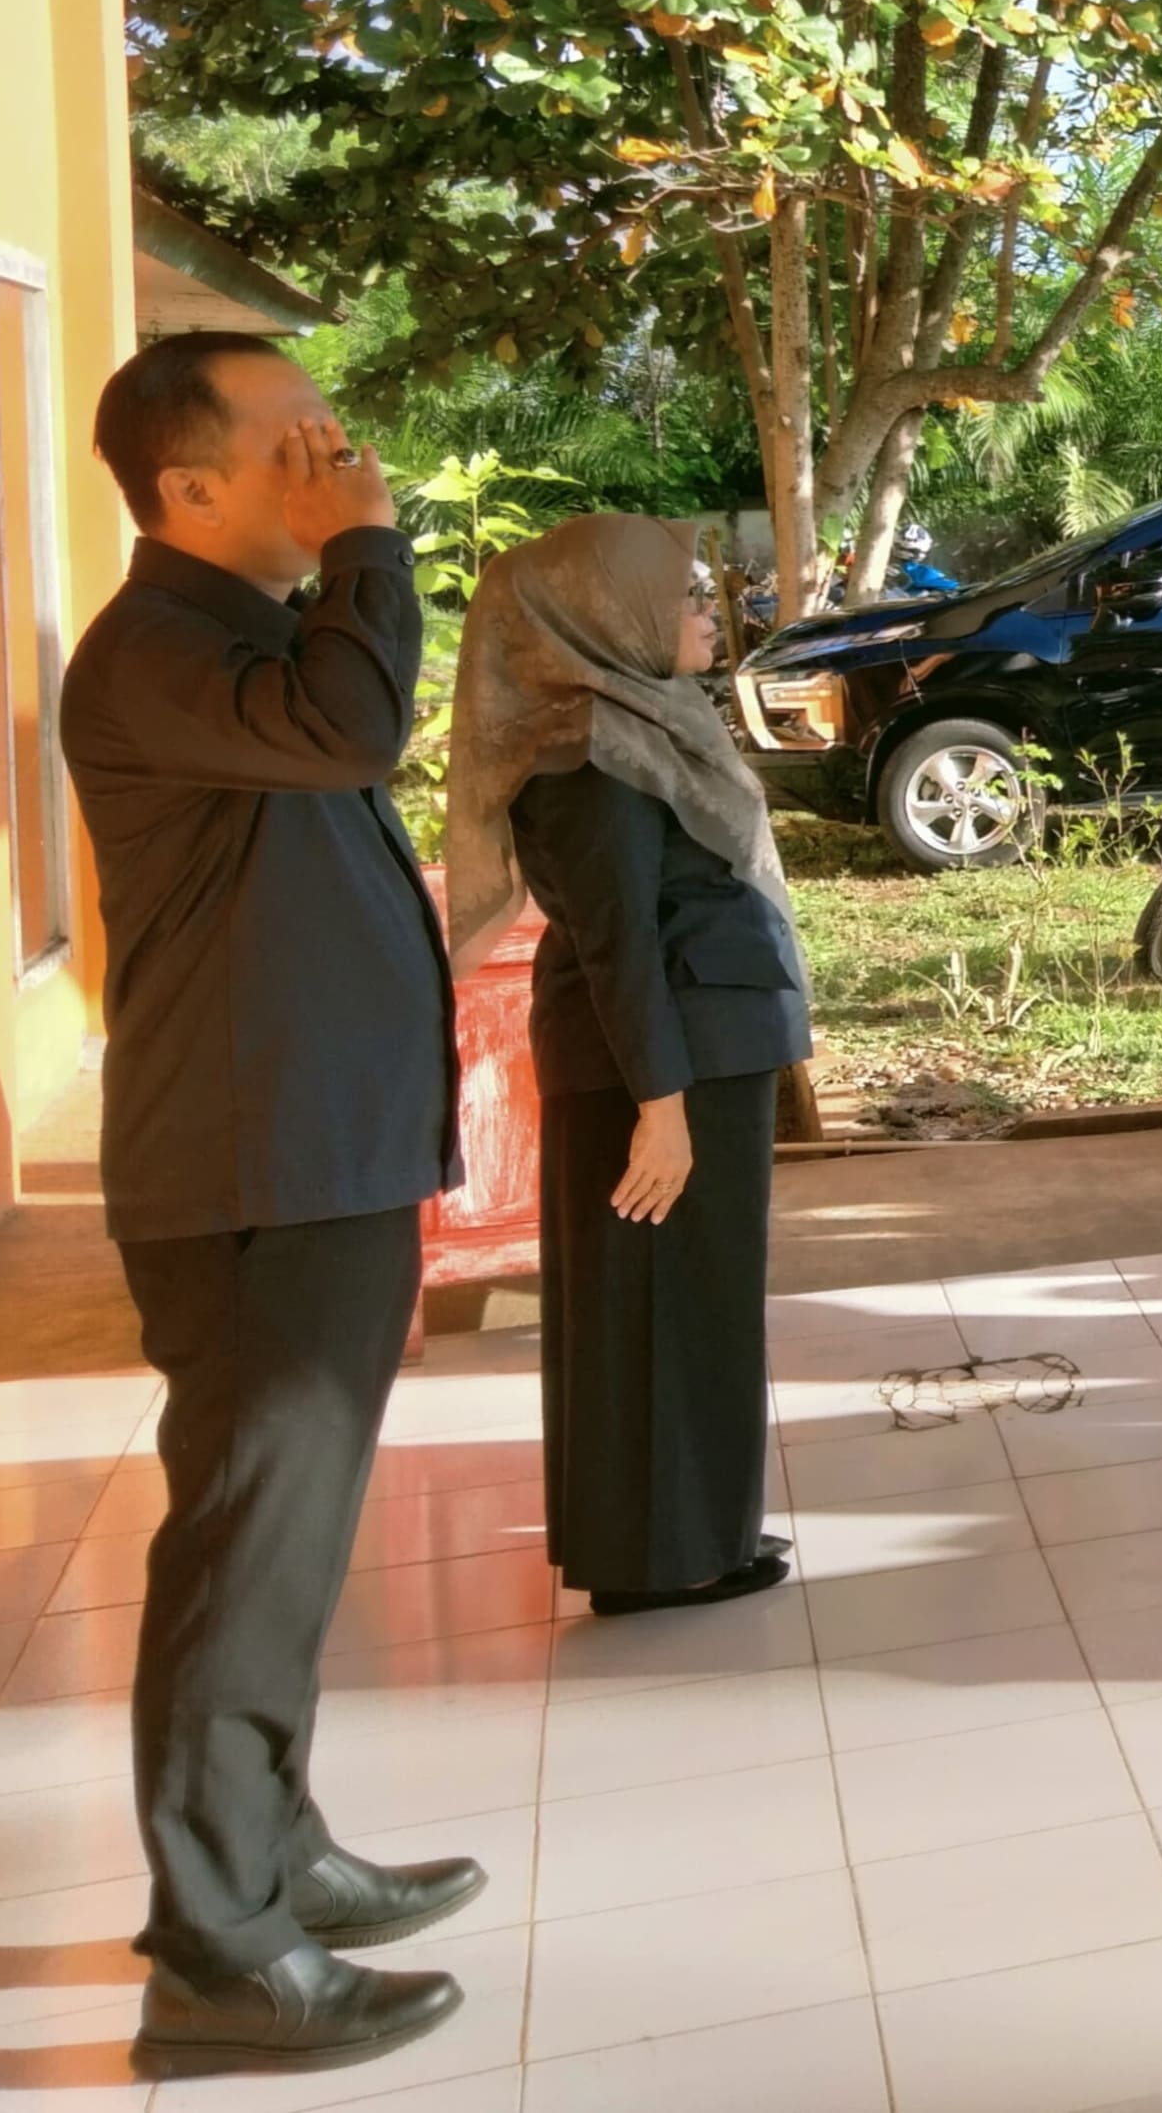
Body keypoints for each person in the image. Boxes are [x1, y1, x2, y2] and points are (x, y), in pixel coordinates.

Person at [57, 332, 480, 2074]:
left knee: (284, 1541)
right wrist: (369, 547)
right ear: (187, 488)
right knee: (246, 1543)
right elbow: (355, 728)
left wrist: (344, 565)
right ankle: (217, 1952)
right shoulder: (155, 650)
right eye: (295, 439)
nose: (337, 457)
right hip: (249, 1164)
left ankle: (278, 1851)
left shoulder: (245, 634)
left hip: (315, 1150)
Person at [443, 514, 814, 1616]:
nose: (707, 610)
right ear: (607, 616)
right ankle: (665, 1558)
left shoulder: (639, 721)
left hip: (688, 1052)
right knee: (655, 1307)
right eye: (684, 595)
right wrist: (661, 1103)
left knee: (687, 1301)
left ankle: (689, 1533)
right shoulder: (588, 753)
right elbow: (618, 940)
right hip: (659, 1065)